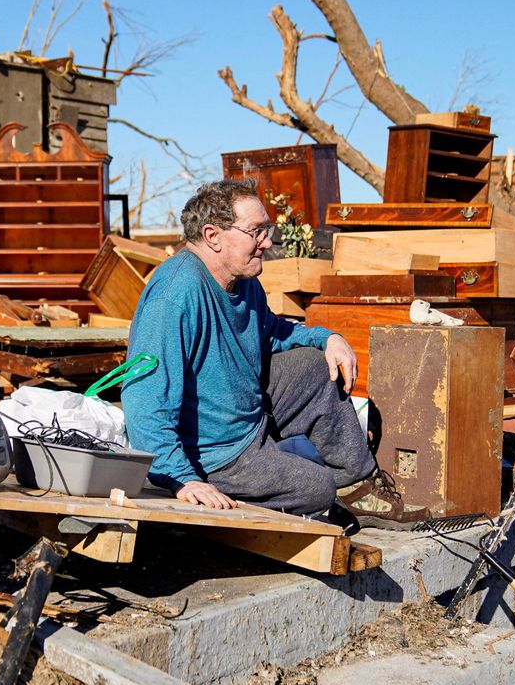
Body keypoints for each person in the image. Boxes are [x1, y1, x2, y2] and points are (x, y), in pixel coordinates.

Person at [120, 179, 424, 529]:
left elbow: (273, 332)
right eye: (256, 231)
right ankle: (227, 492)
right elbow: (145, 401)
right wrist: (182, 479)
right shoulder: (174, 295)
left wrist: (327, 339)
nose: (267, 242)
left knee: (315, 365)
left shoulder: (244, 281)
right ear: (213, 235)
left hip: (246, 414)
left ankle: (359, 489)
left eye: (268, 229)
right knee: (317, 488)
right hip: (213, 454)